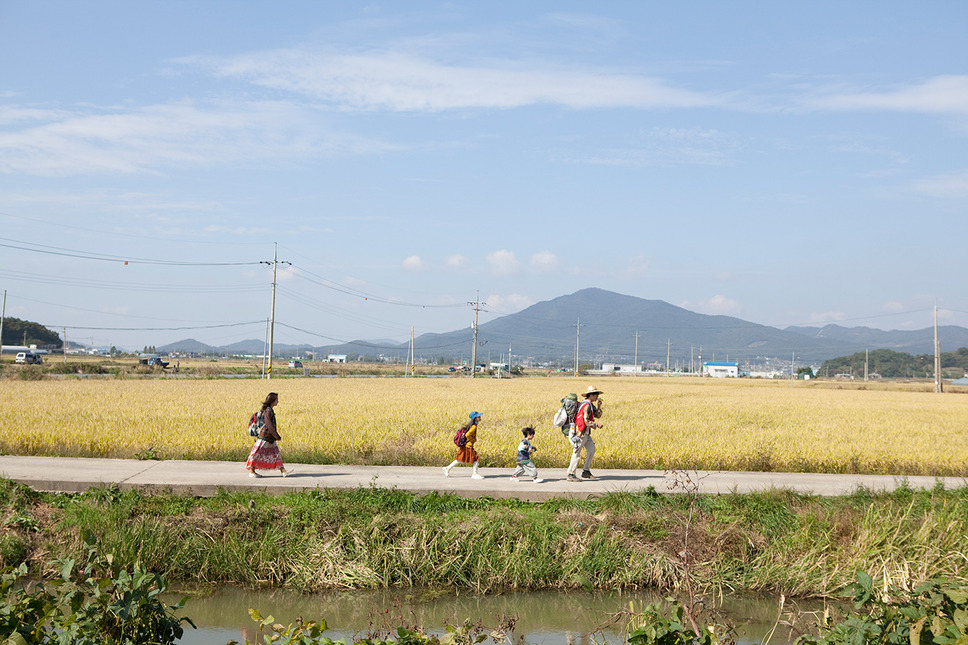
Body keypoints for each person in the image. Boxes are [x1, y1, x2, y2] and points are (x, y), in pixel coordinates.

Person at [246, 392, 289, 477]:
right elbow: (269, 424)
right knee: (257, 453)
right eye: (276, 399)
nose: (278, 401)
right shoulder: (268, 411)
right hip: (265, 436)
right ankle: (252, 471)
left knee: (275, 453)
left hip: (269, 437)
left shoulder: (269, 410)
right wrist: (276, 435)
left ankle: (283, 470)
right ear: (272, 401)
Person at [567, 386, 603, 482]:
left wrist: (599, 407)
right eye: (596, 395)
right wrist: (596, 425)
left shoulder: (590, 405)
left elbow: (597, 415)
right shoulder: (586, 406)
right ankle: (571, 474)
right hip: (581, 433)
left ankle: (586, 471)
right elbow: (586, 421)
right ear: (590, 395)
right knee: (576, 453)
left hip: (586, 433)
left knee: (591, 450)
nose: (597, 397)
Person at [444, 411, 484, 479]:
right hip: (468, 446)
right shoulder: (474, 426)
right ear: (475, 418)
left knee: (460, 459)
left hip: (466, 445)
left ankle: (447, 468)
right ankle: (474, 474)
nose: (480, 417)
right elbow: (467, 434)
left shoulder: (472, 425)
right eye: (478, 416)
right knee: (476, 459)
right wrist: (472, 440)